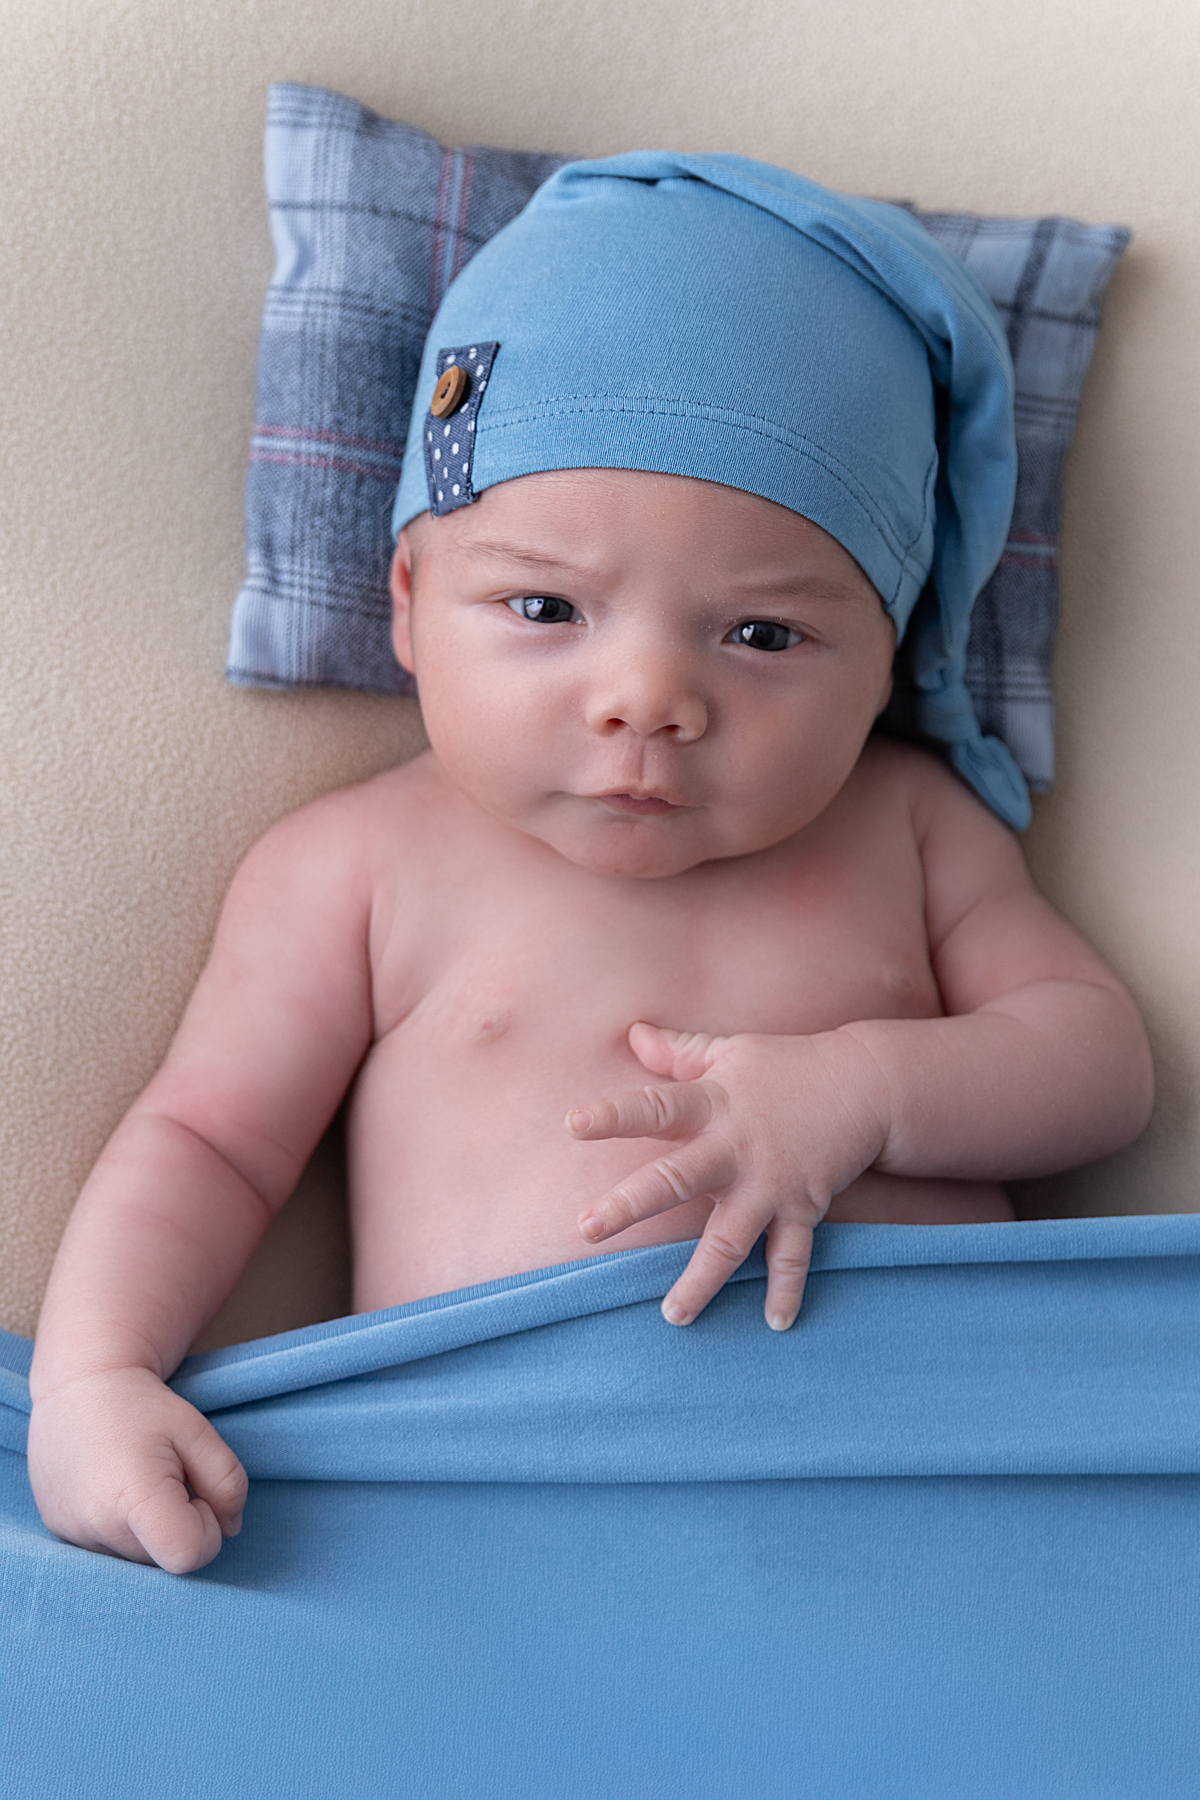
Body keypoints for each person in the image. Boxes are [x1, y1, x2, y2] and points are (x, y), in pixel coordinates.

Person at [27, 153, 1153, 1574]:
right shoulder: (361, 865)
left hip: (939, 1468)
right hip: (504, 1493)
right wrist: (96, 1379)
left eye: (762, 636)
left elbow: (1097, 1066)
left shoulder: (909, 826)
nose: (648, 698)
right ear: (409, 605)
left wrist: (865, 1092)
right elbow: (207, 1139)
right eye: (546, 605)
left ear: (890, 660)